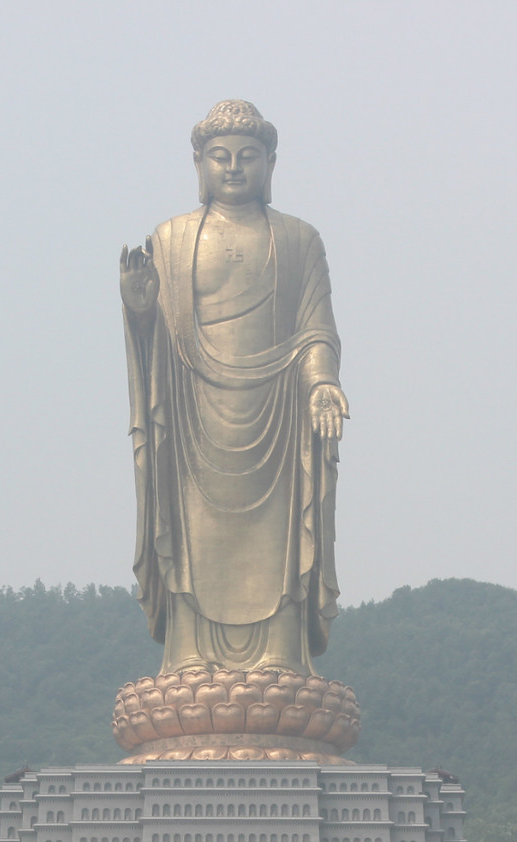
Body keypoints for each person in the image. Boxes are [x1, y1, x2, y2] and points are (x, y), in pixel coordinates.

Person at [120, 100, 349, 676]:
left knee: (278, 537)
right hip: (192, 412)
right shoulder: (170, 238)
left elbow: (316, 328)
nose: (233, 168)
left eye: (248, 156)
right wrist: (141, 308)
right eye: (219, 157)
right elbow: (157, 336)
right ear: (198, 163)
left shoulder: (299, 240)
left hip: (278, 411)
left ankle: (280, 654)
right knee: (193, 532)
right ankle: (189, 656)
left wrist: (322, 382)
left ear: (271, 162)